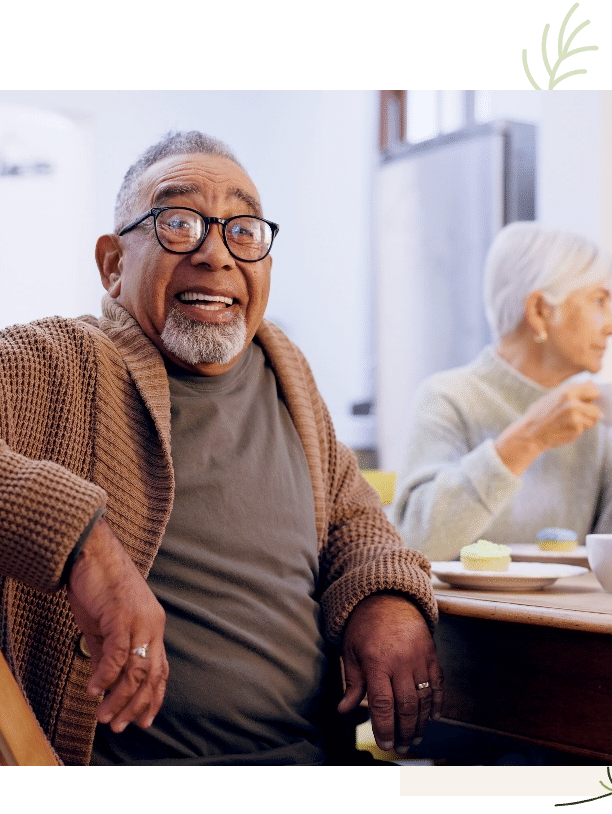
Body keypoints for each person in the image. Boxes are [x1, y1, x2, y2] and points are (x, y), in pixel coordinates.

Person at [0, 131, 444, 766]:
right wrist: (80, 541)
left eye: (243, 229)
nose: (215, 253)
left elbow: (355, 522)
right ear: (113, 264)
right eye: (178, 223)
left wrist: (386, 599)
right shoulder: (61, 363)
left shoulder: (285, 372)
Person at [393, 221, 612, 561]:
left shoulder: (593, 413)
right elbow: (418, 545)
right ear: (540, 311)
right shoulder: (447, 397)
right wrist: (528, 439)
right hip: (466, 616)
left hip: (570, 614)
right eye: (599, 301)